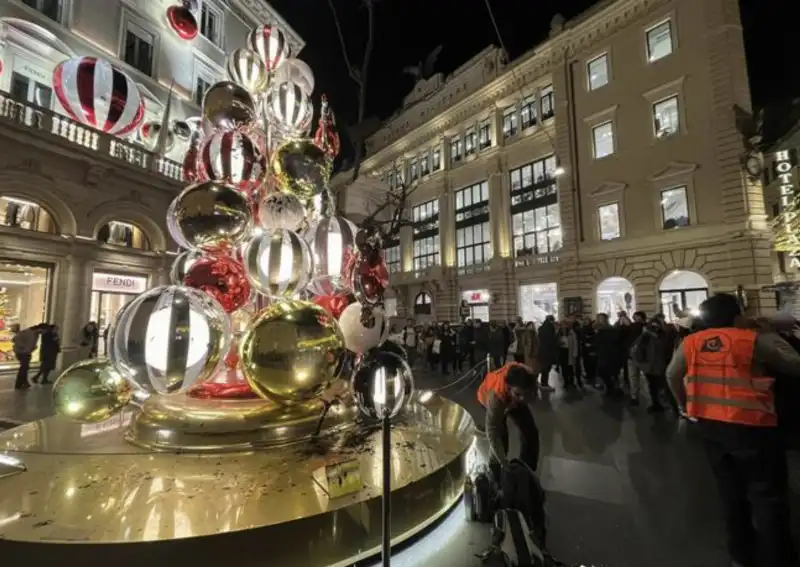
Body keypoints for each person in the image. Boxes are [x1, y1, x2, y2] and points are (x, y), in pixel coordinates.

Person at [666, 293, 799, 567]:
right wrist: (768, 332)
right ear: (737, 315)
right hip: (754, 426)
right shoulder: (749, 339)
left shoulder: (692, 342)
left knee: (730, 493)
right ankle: (778, 557)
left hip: (711, 426)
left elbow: (672, 374)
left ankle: (741, 554)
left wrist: (685, 405)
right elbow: (795, 365)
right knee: (767, 496)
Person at [477, 362, 540, 479]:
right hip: (488, 398)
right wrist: (504, 462)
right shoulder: (496, 397)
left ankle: (527, 469)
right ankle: (496, 472)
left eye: (525, 394)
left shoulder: (527, 376)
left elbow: (527, 393)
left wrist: (524, 397)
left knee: (530, 430)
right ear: (509, 387)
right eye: (518, 394)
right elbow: (492, 432)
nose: (522, 398)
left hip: (511, 399)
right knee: (501, 436)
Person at [11, 324, 38, 390]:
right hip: (23, 353)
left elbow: (14, 340)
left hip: (23, 352)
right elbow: (17, 341)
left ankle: (24, 383)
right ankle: (19, 384)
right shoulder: (28, 334)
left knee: (25, 368)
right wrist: (27, 349)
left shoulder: (24, 333)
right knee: (24, 368)